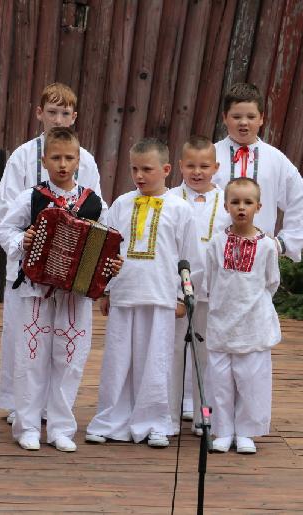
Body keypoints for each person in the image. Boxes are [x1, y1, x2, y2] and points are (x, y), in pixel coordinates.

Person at [0, 127, 117, 452]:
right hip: (35, 289)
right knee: (30, 357)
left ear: (79, 160)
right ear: (44, 160)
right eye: (56, 157)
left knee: (71, 358)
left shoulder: (94, 202)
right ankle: (27, 426)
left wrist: (108, 269)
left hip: (75, 295)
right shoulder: (32, 196)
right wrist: (25, 240)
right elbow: (6, 228)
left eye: (69, 157)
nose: (63, 164)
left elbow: (107, 242)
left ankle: (61, 427)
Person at [85, 138, 204, 448]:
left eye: (147, 169)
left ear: (165, 169)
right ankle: (111, 419)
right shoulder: (122, 204)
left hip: (162, 296)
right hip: (125, 293)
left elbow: (190, 258)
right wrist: (106, 290)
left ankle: (155, 422)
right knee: (118, 359)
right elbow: (109, 250)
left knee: (157, 361)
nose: (139, 175)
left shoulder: (181, 210)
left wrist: (183, 297)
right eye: (135, 169)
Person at [204, 177, 281, 454]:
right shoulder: (216, 242)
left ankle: (247, 431)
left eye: (247, 202)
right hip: (222, 320)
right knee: (220, 379)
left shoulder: (267, 246)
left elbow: (271, 282)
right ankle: (222, 430)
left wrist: (252, 305)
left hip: (252, 323)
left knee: (251, 378)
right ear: (226, 205)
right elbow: (211, 279)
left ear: (258, 206)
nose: (241, 207)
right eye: (235, 202)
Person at [169, 135, 231, 434]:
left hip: (212, 291)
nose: (197, 172)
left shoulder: (226, 204)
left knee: (206, 357)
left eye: (204, 166)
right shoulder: (169, 199)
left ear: (216, 167)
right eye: (191, 165)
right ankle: (167, 416)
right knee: (173, 353)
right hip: (176, 291)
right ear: (180, 166)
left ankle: (203, 415)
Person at [213, 82, 303, 262]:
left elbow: (301, 201)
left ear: (261, 118)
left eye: (251, 116)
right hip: (214, 255)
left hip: (259, 258)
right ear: (224, 117)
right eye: (236, 116)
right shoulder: (210, 158)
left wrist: (283, 243)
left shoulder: (275, 160)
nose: (244, 122)